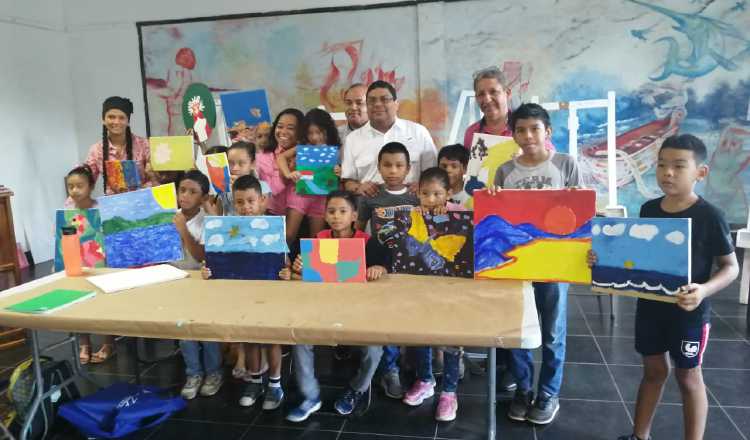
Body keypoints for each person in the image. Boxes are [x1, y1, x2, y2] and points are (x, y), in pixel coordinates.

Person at [594, 134, 737, 440]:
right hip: (650, 308)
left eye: (678, 166)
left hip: (690, 314)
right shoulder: (649, 209)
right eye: (661, 165)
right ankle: (639, 435)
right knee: (654, 371)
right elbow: (638, 253)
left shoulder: (710, 216)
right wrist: (603, 255)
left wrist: (702, 291)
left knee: (688, 377)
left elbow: (730, 267)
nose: (667, 172)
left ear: (701, 172)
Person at [490, 103, 581, 425]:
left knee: (554, 332)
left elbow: (578, 215)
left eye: (534, 129)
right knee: (519, 329)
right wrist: (493, 199)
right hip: (518, 265)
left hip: (556, 264)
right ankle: (524, 389)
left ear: (548, 132)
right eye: (520, 130)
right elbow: (498, 219)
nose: (527, 136)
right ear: (512, 134)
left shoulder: (566, 164)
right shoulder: (505, 171)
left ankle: (548, 393)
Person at [286, 190, 391, 422]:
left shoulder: (367, 243)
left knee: (374, 349)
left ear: (354, 215)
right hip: (322, 309)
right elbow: (297, 271)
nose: (336, 216)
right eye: (331, 211)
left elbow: (385, 265)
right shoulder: (318, 240)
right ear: (324, 214)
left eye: (343, 211)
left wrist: (378, 270)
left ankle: (357, 389)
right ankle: (310, 395)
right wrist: (298, 266)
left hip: (360, 312)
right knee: (300, 339)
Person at [201, 175, 289, 411]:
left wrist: (286, 273)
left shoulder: (273, 227)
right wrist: (208, 271)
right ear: (234, 204)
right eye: (240, 202)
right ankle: (254, 380)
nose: (246, 207)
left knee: (271, 341)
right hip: (241, 296)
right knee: (249, 340)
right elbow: (214, 262)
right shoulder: (227, 229)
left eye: (251, 201)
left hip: (270, 295)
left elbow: (285, 263)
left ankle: (275, 384)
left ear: (262, 200)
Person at [401, 167, 464, 422]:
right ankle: (425, 379)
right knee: (422, 333)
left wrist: (446, 214)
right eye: (425, 194)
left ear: (448, 193)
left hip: (452, 290)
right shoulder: (413, 215)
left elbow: (463, 240)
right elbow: (408, 248)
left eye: (437, 194)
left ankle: (449, 392)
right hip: (421, 287)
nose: (430, 200)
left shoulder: (458, 213)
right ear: (417, 193)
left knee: (451, 337)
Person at [171, 171, 223, 399]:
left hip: (202, 279)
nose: (185, 196)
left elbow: (202, 255)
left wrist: (183, 230)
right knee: (185, 329)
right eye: (182, 190)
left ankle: (213, 372)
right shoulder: (171, 216)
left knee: (206, 327)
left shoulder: (206, 220)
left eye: (192, 192)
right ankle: (193, 373)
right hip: (176, 280)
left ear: (203, 197)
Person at [342, 80, 437, 197]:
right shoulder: (352, 139)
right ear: (367, 105)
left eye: (384, 99)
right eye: (372, 100)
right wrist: (359, 187)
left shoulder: (418, 132)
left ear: (396, 104)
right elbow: (347, 181)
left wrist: (423, 185)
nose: (377, 104)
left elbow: (434, 174)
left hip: (413, 207)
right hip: (369, 208)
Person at [64, 165, 112, 365]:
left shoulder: (101, 208)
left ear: (91, 186)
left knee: (103, 305)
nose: (74, 191)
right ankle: (84, 343)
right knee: (78, 303)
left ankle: (108, 342)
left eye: (79, 186)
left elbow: (109, 234)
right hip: (77, 265)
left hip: (101, 264)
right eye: (70, 186)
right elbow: (63, 238)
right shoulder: (67, 211)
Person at [277, 108, 342, 243]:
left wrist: (339, 171)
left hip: (321, 198)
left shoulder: (336, 149)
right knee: (288, 235)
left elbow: (342, 174)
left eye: (319, 132)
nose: (314, 137)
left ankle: (309, 264)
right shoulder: (304, 146)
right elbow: (281, 157)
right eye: (310, 133)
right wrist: (289, 174)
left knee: (316, 239)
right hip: (299, 194)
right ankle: (283, 262)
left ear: (328, 130)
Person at [463, 67, 553, 152]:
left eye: (493, 92)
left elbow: (549, 161)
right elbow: (467, 167)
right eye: (481, 94)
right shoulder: (471, 133)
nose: (487, 99)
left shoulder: (528, 127)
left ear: (507, 93)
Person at [82, 96, 156, 195]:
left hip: (145, 202)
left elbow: (158, 181)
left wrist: (149, 179)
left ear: (128, 121)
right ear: (103, 119)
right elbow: (85, 181)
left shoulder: (144, 144)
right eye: (111, 117)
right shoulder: (96, 150)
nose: (116, 122)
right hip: (114, 205)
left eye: (121, 118)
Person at [356, 142, 419, 232]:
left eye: (399, 165)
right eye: (387, 165)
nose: (393, 171)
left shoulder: (417, 194)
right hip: (378, 246)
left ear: (408, 169)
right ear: (379, 168)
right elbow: (358, 232)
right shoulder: (370, 194)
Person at [256, 109, 305, 217]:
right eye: (280, 126)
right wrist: (286, 175)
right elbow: (270, 191)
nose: (283, 131)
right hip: (273, 217)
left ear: (301, 131)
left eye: (290, 128)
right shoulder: (262, 157)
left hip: (304, 218)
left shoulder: (307, 154)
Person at [437, 144, 470, 210]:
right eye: (444, 166)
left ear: (465, 168)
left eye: (454, 166)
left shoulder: (472, 194)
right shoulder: (431, 192)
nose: (448, 170)